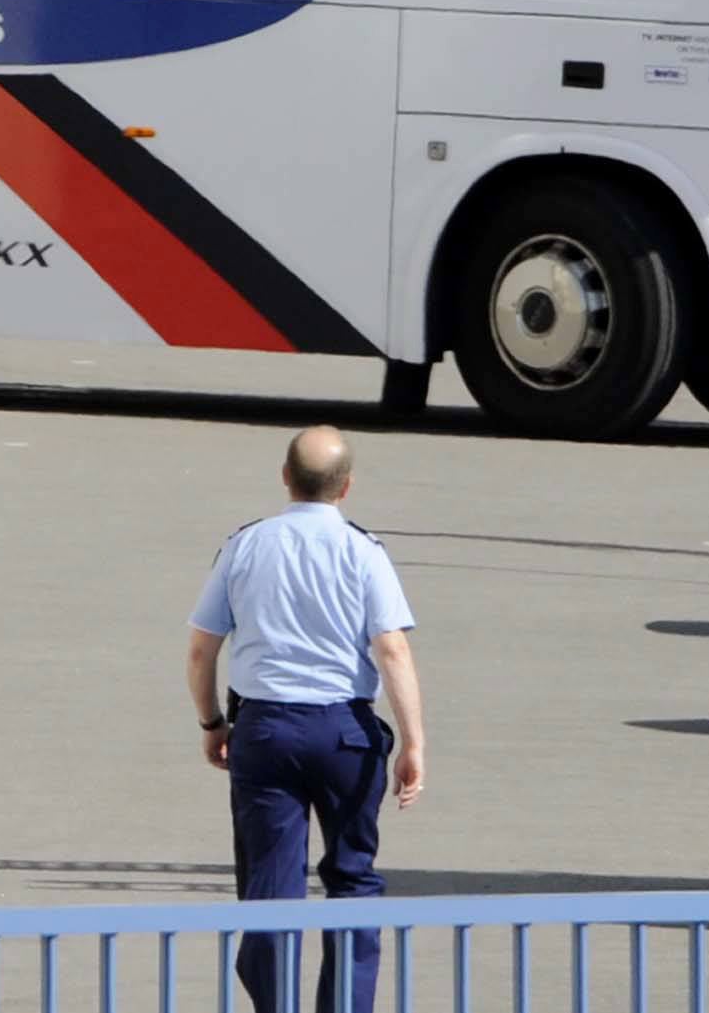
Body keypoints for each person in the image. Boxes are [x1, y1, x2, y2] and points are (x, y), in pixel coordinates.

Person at [186, 428, 426, 1013]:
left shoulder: (245, 545)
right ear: (346, 487)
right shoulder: (363, 551)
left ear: (285, 477)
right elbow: (391, 649)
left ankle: (276, 1005)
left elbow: (201, 650)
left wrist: (213, 723)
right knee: (353, 879)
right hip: (346, 733)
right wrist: (414, 743)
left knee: (271, 887)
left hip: (264, 731)